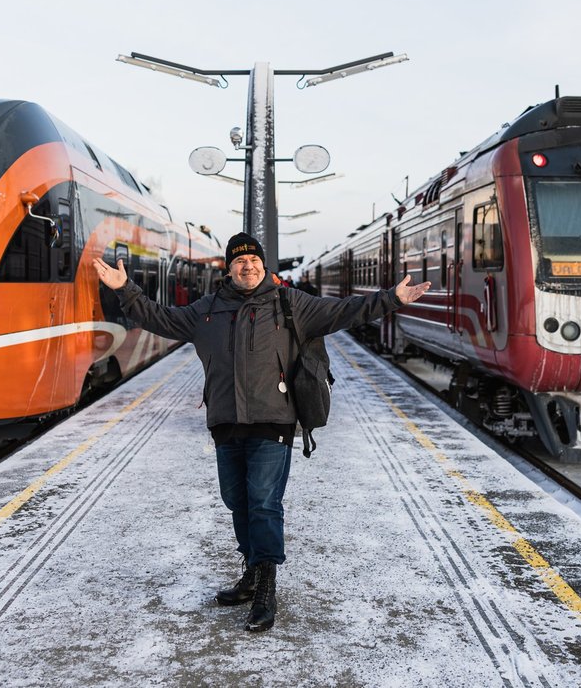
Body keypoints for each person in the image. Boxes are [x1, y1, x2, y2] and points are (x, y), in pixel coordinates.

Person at [92, 232, 429, 633]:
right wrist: (125, 290)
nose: (247, 266)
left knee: (264, 501)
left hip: (274, 420)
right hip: (226, 420)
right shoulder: (208, 310)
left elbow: (345, 311)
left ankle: (266, 582)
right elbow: (159, 317)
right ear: (229, 268)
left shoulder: (290, 304)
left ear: (264, 265)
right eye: (239, 261)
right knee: (237, 500)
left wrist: (391, 299)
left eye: (253, 259)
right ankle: (251, 571)